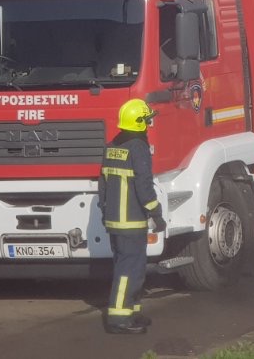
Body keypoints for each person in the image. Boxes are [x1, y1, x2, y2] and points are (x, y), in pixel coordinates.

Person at [99, 99, 165, 335]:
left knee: (131, 267)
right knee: (129, 269)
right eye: (147, 120)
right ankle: (119, 319)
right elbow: (144, 186)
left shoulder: (112, 145)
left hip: (113, 221)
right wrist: (156, 213)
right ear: (140, 124)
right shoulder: (138, 147)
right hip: (132, 221)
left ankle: (132, 311)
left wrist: (103, 210)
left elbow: (103, 184)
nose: (149, 124)